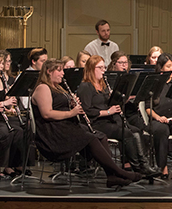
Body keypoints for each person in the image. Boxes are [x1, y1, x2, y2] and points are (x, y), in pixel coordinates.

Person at [31, 58, 141, 188]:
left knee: (100, 136)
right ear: (49, 71)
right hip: (53, 133)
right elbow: (47, 113)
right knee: (91, 138)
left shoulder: (58, 88)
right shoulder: (43, 87)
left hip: (64, 126)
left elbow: (59, 106)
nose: (63, 74)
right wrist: (71, 113)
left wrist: (71, 104)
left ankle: (111, 176)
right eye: (59, 71)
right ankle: (118, 172)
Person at [77, 55, 152, 176]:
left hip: (109, 120)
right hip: (96, 123)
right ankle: (137, 168)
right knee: (126, 133)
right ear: (91, 69)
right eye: (100, 67)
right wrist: (108, 112)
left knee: (136, 131)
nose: (103, 70)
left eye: (104, 67)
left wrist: (116, 101)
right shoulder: (85, 86)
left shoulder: (104, 86)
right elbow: (86, 111)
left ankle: (144, 165)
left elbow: (109, 105)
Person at [0, 52, 30, 177]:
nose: (2, 67)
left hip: (1, 116)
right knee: (9, 131)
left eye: (2, 64)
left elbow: (6, 103)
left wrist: (10, 101)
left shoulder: (2, 79)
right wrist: (5, 102)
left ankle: (13, 164)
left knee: (22, 128)